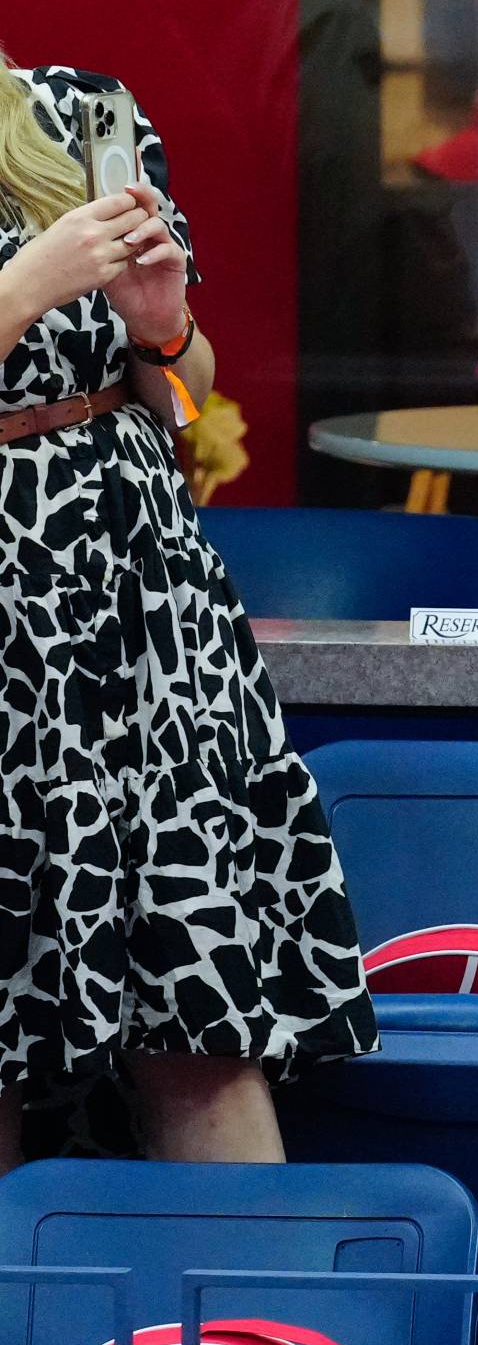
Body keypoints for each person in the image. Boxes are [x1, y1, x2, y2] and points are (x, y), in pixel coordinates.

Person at [0, 58, 378, 1169]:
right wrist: (27, 283)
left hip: (141, 618)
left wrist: (162, 324)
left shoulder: (80, 108)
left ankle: (264, 1341)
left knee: (197, 1003)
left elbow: (182, 385)